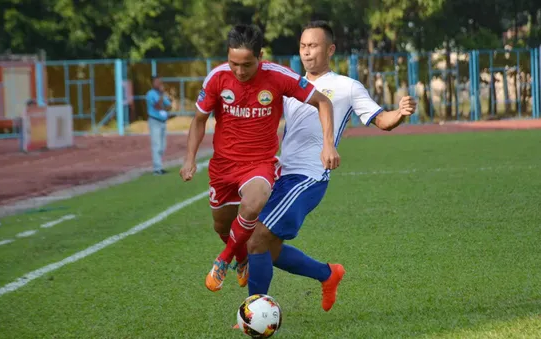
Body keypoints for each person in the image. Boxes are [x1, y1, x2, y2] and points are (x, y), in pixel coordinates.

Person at [244, 21, 417, 313]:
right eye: (302, 46)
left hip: (309, 177)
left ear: (330, 49)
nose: (307, 52)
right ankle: (328, 274)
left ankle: (251, 313)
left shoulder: (347, 87)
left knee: (258, 238)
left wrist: (400, 113)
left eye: (313, 46)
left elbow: (382, 120)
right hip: (281, 174)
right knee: (268, 248)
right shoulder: (292, 84)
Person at [179, 24, 341, 293]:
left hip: (259, 165)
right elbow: (199, 120)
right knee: (222, 224)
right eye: (234, 64)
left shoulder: (278, 76)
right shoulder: (217, 78)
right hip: (223, 167)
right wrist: (189, 159)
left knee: (254, 206)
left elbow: (323, 101)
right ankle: (241, 258)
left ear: (260, 56)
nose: (240, 71)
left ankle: (224, 259)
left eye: (247, 65)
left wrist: (327, 145)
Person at [145, 76, 172, 175]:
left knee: (162, 146)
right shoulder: (150, 94)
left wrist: (166, 109)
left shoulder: (162, 95)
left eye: (160, 82)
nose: (159, 84)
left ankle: (160, 166)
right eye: (157, 82)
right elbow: (158, 106)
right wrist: (161, 96)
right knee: (156, 145)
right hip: (154, 121)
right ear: (152, 83)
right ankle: (157, 168)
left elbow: (169, 105)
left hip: (162, 121)